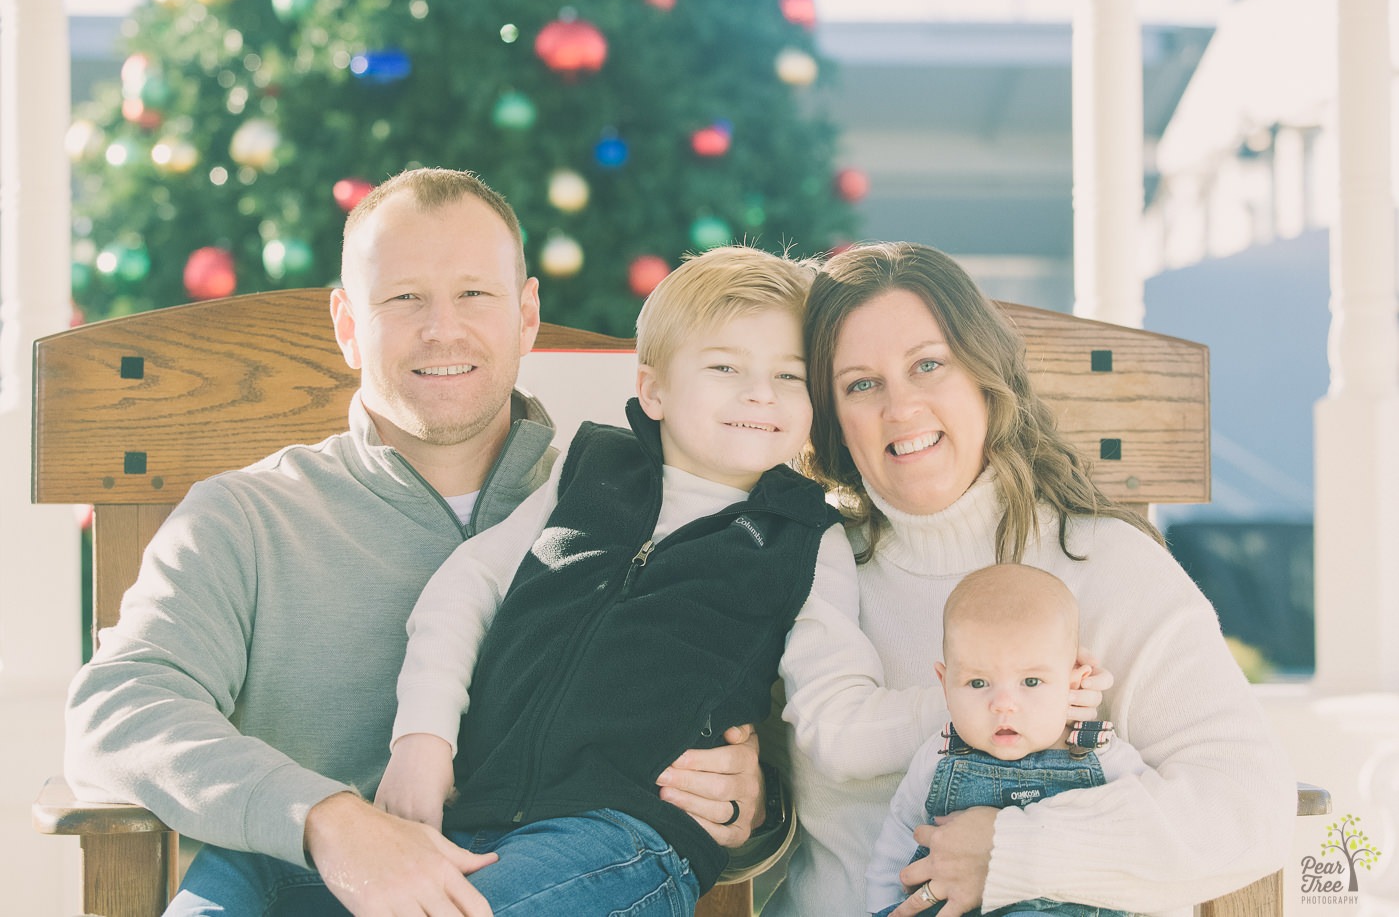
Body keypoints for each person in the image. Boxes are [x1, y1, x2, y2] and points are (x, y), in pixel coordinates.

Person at [63, 168, 769, 917]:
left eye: (474, 293)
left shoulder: (632, 515)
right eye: (403, 297)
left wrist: (756, 797)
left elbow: (755, 719)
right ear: (346, 326)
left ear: (525, 313)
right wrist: (330, 821)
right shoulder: (245, 517)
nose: (443, 328)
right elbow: (119, 709)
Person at [764, 241, 1295, 917]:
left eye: (928, 364)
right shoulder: (813, 566)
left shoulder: (1101, 562)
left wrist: (1015, 851)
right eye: (860, 383)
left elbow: (1248, 805)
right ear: (831, 416)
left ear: (984, 375)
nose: (899, 406)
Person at [372, 244, 853, 916]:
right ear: (652, 389)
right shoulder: (592, 472)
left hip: (629, 837)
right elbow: (465, 587)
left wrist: (768, 791)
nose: (759, 392)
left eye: (790, 375)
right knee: (282, 878)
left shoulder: (802, 538)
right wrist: (423, 739)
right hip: (478, 812)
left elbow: (832, 706)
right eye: (724, 367)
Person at [865, 564, 1147, 917]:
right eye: (978, 683)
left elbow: (1143, 833)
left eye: (1030, 682)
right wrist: (881, 907)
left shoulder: (1102, 756)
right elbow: (897, 842)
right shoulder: (939, 756)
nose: (1002, 705)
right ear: (945, 684)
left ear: (1074, 682)